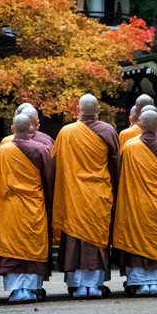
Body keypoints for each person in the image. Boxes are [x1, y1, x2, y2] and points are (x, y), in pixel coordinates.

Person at [52, 94, 119, 298]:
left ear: (77, 110)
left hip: (73, 195)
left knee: (75, 240)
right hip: (99, 194)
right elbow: (115, 165)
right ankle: (94, 286)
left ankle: (77, 285)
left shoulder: (66, 132)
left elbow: (54, 164)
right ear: (98, 110)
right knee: (96, 240)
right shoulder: (108, 130)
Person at [0, 113, 54, 303]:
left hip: (8, 208)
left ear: (12, 129)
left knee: (13, 248)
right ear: (31, 129)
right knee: (32, 246)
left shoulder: (1, 151)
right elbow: (48, 180)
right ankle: (32, 288)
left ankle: (16, 290)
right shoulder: (40, 150)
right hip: (33, 207)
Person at [113, 109, 157, 296]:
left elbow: (119, 176)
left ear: (139, 124)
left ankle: (138, 282)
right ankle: (156, 283)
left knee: (136, 239)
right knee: (156, 239)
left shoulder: (128, 147)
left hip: (135, 204)